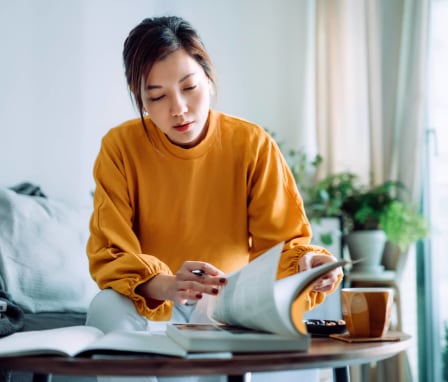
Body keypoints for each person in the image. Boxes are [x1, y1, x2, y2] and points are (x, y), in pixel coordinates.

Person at [86, 15, 343, 382]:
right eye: (156, 96)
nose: (178, 108)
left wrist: (310, 266)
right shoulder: (119, 148)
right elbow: (111, 252)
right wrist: (169, 284)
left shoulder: (252, 144)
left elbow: (285, 245)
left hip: (230, 309)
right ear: (140, 100)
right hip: (156, 306)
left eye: (189, 87)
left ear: (208, 78)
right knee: (107, 305)